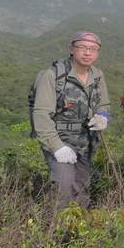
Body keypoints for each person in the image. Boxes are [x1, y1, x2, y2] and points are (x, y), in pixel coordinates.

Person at [32, 31, 110, 209]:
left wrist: (103, 117)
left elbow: (104, 103)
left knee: (81, 188)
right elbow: (41, 114)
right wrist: (57, 147)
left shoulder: (97, 76)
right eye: (82, 47)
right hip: (59, 140)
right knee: (63, 187)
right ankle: (55, 232)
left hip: (86, 142)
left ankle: (78, 232)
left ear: (97, 53)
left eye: (93, 49)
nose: (87, 52)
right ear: (72, 49)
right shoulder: (53, 76)